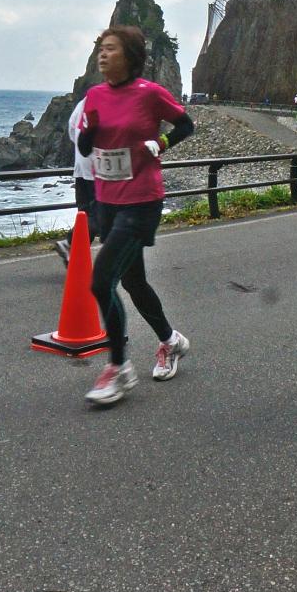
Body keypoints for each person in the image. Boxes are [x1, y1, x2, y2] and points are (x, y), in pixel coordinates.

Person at [77, 26, 196, 407]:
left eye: (110, 49)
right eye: (100, 49)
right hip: (107, 200)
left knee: (101, 281)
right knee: (134, 282)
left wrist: (159, 144)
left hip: (142, 201)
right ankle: (170, 341)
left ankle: (118, 368)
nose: (102, 55)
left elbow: (186, 125)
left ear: (129, 56)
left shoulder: (149, 94)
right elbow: (84, 144)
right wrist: (90, 130)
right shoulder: (94, 95)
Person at [54, 97, 92, 267]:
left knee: (85, 215)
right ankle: (70, 244)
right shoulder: (105, 98)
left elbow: (71, 129)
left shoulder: (84, 101)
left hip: (81, 168)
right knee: (98, 216)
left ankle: (75, 258)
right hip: (97, 170)